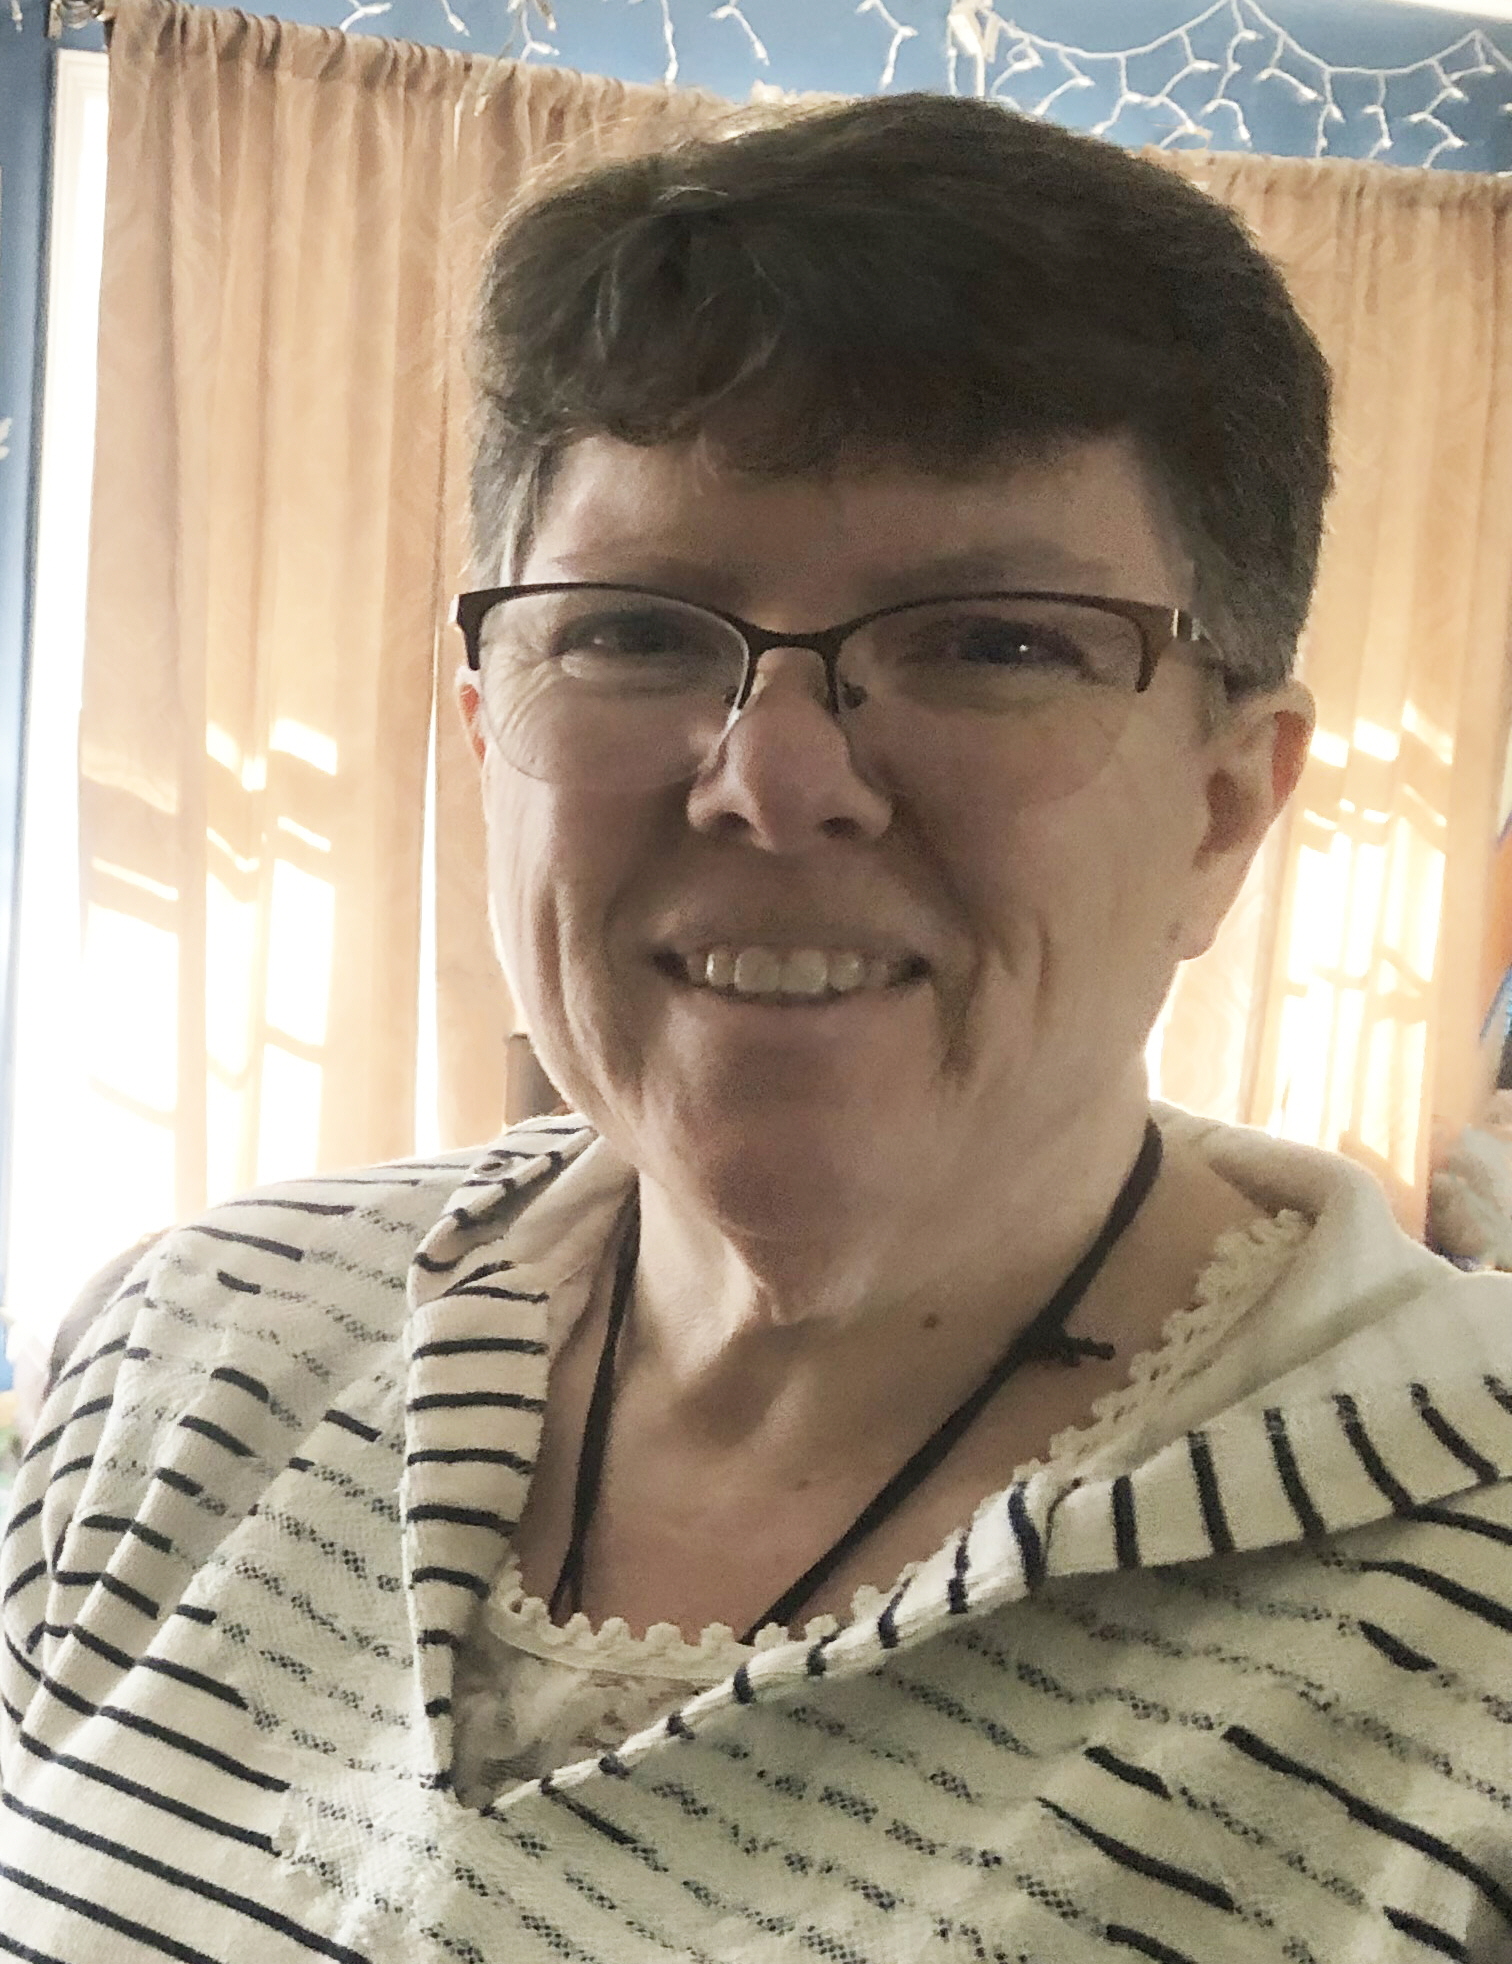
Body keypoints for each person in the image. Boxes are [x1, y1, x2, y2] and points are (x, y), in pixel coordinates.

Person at [4, 91, 1511, 1964]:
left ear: (1224, 808)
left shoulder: (1464, 1629)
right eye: (633, 630)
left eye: (992, 642)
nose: (775, 783)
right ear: (486, 733)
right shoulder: (182, 1352)